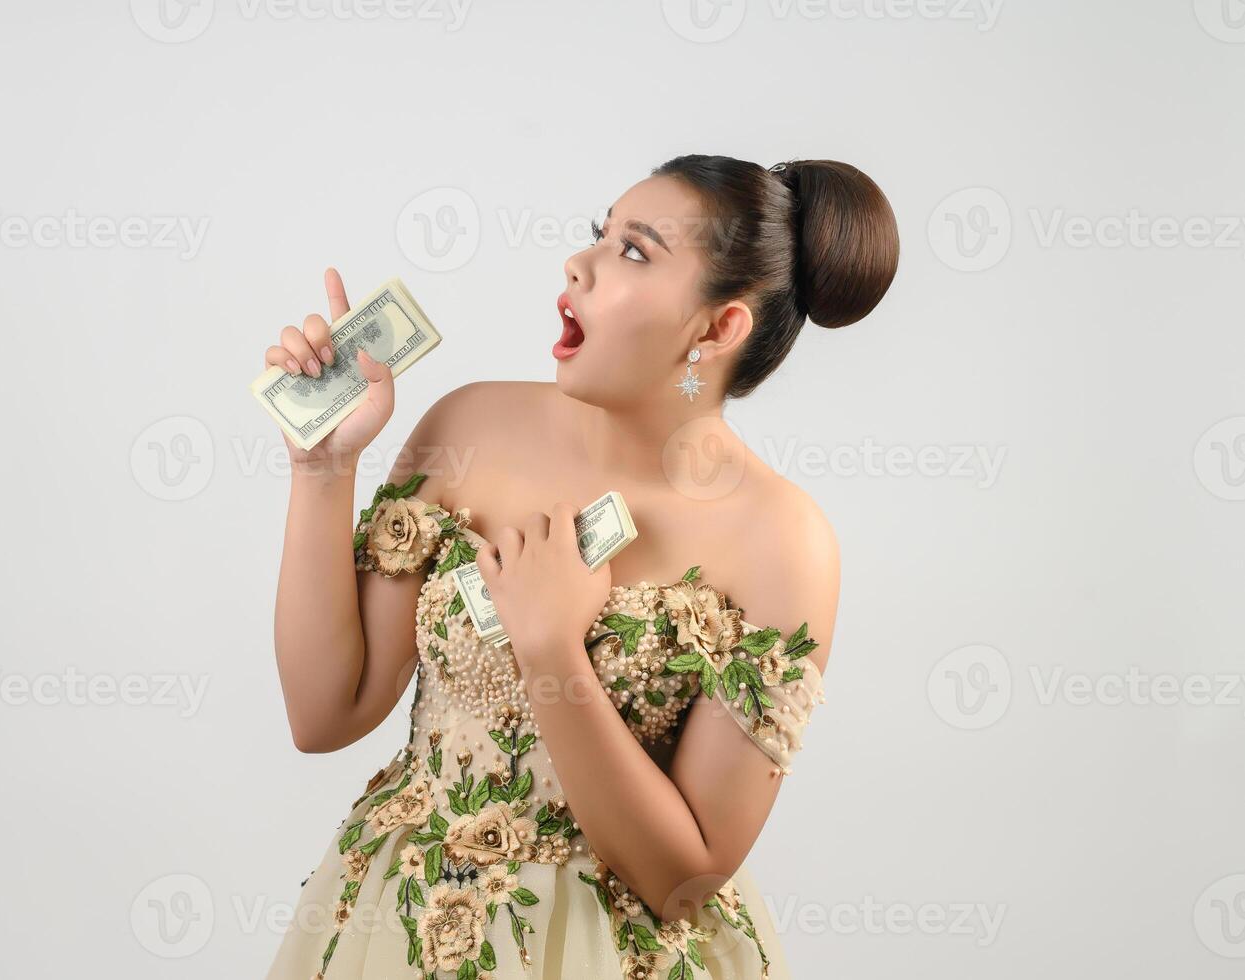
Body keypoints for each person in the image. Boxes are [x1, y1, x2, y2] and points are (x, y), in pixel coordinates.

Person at [265, 154, 899, 979]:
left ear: (717, 329)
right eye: (599, 234)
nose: (580, 262)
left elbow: (684, 882)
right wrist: (321, 470)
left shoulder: (783, 542)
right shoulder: (469, 425)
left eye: (634, 251)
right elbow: (324, 716)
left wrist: (553, 651)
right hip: (405, 923)